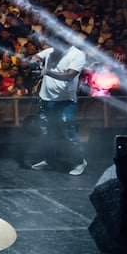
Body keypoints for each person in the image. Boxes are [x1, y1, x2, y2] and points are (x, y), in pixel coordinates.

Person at [30, 32, 88, 175]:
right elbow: (36, 56)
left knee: (68, 130)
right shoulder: (51, 51)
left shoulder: (77, 55)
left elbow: (69, 75)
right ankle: (48, 159)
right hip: (46, 98)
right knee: (46, 131)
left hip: (65, 100)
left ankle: (80, 161)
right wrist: (35, 62)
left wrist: (46, 72)